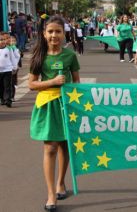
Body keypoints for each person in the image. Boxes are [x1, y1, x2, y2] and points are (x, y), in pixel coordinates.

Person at [28, 16, 80, 212]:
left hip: (66, 106)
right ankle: (51, 194)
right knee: (50, 148)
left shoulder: (70, 56)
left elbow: (77, 83)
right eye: (50, 31)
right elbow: (32, 84)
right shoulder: (38, 56)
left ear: (64, 33)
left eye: (58, 31)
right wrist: (51, 82)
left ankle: (61, 182)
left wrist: (77, 104)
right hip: (47, 105)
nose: (54, 35)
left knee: (64, 146)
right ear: (44, 34)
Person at [0, 32, 19, 107]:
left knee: (7, 86)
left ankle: (8, 100)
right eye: (1, 40)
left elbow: (13, 58)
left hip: (7, 70)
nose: (2, 41)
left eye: (4, 39)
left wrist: (14, 67)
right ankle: (2, 98)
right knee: (1, 86)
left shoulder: (8, 49)